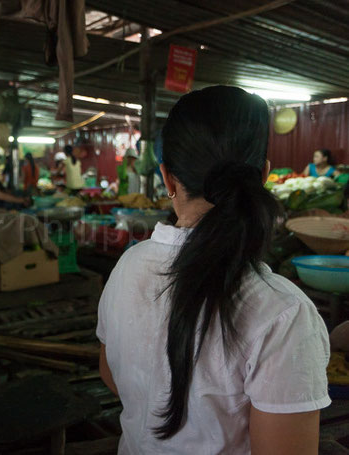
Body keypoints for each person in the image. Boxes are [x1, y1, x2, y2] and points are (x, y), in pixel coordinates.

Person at [97, 86, 330, 454]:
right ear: (264, 174)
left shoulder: (128, 266)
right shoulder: (283, 314)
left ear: (168, 179)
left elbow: (113, 373)